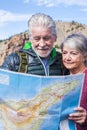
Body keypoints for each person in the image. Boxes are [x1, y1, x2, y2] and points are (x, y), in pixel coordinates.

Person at [1, 13, 67, 76]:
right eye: (37, 39)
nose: (42, 44)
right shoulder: (14, 60)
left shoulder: (63, 61)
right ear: (30, 39)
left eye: (46, 38)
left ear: (55, 38)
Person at [60, 33, 87, 130]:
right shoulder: (62, 78)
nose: (67, 58)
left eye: (73, 53)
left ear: (85, 56)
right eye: (64, 52)